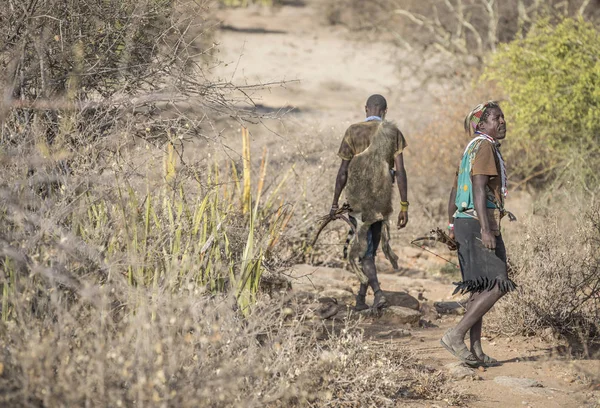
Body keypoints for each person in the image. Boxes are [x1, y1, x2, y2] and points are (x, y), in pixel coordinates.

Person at [441, 101, 516, 367]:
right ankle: (455, 335)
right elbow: (479, 187)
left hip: (463, 222)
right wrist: (486, 228)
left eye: (503, 117)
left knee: (479, 287)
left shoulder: (470, 149)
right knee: (498, 284)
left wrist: (451, 227)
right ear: (482, 125)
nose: (502, 121)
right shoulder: (484, 146)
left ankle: (475, 351)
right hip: (477, 223)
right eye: (497, 118)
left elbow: (453, 192)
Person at [330, 94, 409, 311]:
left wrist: (335, 203)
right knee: (370, 251)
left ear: (366, 109)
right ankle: (360, 297)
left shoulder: (353, 131)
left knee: (365, 251)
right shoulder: (393, 133)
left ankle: (378, 293)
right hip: (382, 201)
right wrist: (404, 205)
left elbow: (343, 172)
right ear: (385, 111)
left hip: (358, 201)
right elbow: (401, 172)